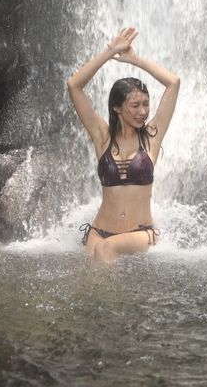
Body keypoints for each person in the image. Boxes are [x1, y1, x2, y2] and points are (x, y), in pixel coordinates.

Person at [66, 26, 180, 262]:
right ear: (117, 107)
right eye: (135, 105)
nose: (143, 111)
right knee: (96, 276)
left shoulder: (151, 137)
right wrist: (109, 53)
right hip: (99, 232)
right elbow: (74, 86)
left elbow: (173, 83)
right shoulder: (103, 137)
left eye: (146, 104)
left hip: (141, 233)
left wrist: (133, 59)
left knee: (106, 250)